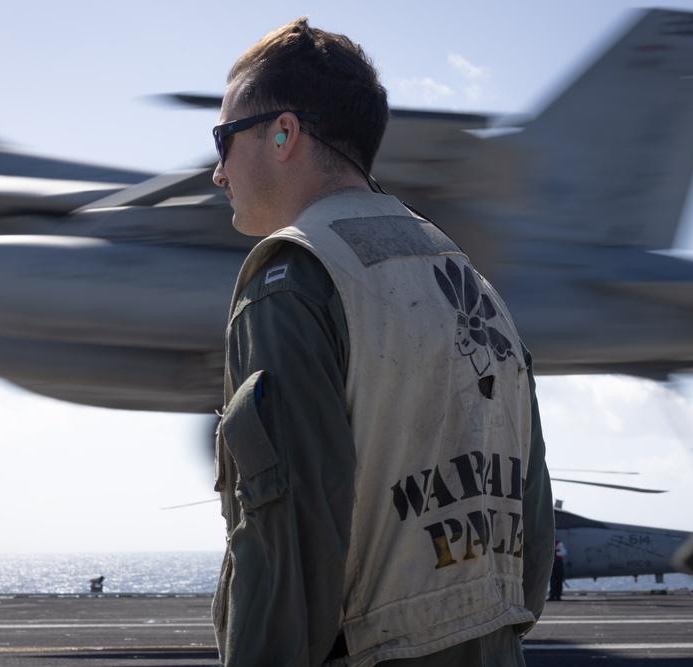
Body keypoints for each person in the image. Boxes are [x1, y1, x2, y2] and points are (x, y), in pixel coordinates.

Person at [210, 18, 553, 666]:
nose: (217, 171)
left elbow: (287, 558)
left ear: (283, 133)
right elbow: (530, 558)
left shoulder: (293, 282)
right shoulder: (475, 286)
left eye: (224, 139)